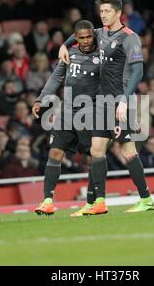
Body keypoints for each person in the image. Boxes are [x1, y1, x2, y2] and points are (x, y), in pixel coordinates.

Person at [59, 0, 154, 214]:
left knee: (128, 151)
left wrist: (124, 100)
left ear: (119, 13)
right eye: (101, 12)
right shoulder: (99, 33)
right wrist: (64, 46)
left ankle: (146, 199)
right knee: (96, 150)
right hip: (101, 102)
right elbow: (77, 35)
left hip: (120, 100)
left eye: (107, 11)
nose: (103, 15)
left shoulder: (129, 37)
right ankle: (97, 203)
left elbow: (138, 71)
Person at [32, 20, 100, 217]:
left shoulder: (102, 54)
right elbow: (56, 77)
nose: (86, 40)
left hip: (90, 112)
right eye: (81, 37)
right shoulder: (69, 53)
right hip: (67, 112)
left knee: (94, 156)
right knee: (54, 153)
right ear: (76, 38)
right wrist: (41, 99)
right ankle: (47, 201)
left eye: (89, 37)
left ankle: (91, 202)